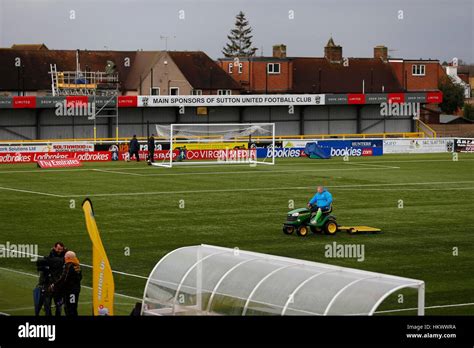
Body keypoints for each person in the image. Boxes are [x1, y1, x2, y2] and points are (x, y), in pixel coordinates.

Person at [36, 242, 66, 316]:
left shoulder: (63, 258)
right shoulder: (53, 258)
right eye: (58, 249)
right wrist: (41, 283)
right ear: (54, 248)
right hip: (48, 284)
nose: (59, 251)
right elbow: (41, 269)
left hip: (58, 285)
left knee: (58, 305)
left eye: (61, 249)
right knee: (47, 304)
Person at [50, 251, 82, 316]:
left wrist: (54, 285)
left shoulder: (69, 265)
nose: (64, 258)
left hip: (70, 291)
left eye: (65, 257)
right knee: (73, 308)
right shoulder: (77, 265)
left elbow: (64, 278)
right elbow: (80, 277)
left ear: (68, 257)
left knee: (69, 309)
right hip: (76, 291)